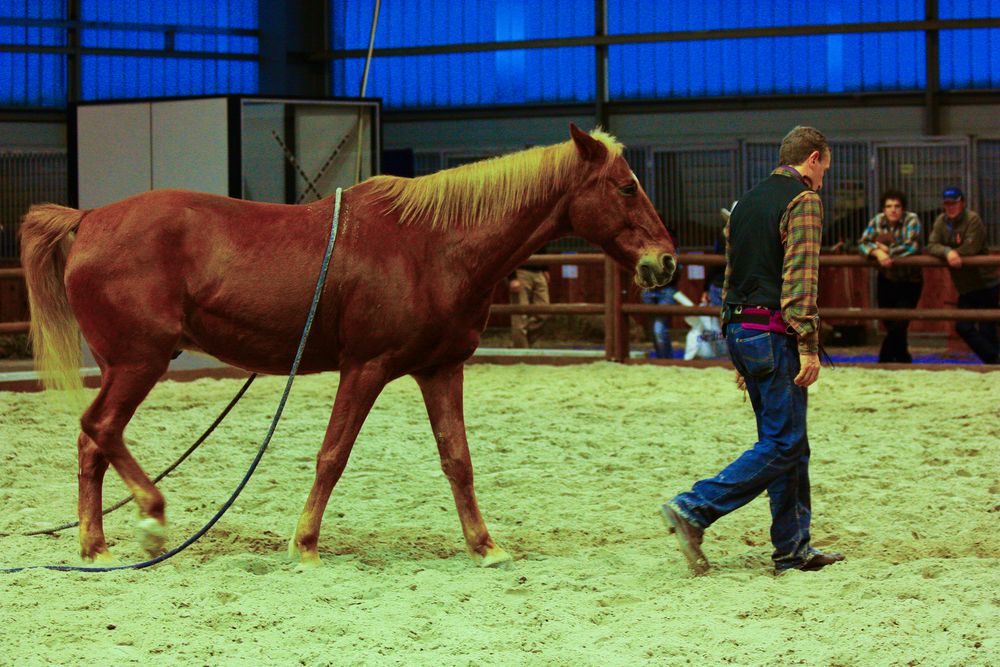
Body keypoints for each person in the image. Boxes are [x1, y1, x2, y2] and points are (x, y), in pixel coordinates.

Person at [661, 125, 845, 575]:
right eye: (825, 167)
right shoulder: (803, 201)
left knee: (786, 442)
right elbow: (801, 278)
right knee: (785, 443)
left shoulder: (743, 206)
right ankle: (694, 508)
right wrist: (808, 344)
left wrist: (735, 348)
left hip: (741, 329)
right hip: (775, 331)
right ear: (815, 158)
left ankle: (793, 549)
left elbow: (731, 276)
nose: (823, 178)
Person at [925, 187, 1000, 364]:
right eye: (947, 204)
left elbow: (971, 249)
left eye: (954, 203)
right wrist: (947, 252)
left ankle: (993, 363)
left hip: (986, 282)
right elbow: (931, 244)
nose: (950, 207)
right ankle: (994, 360)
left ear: (962, 203)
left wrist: (949, 252)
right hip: (965, 286)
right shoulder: (940, 221)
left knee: (987, 329)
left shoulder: (973, 219)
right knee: (963, 326)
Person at [858, 189, 923, 363]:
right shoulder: (877, 220)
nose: (893, 210)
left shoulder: (912, 219)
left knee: (900, 322)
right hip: (886, 279)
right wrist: (876, 252)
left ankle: (884, 359)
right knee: (889, 322)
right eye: (889, 206)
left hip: (910, 280)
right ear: (883, 209)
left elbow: (912, 246)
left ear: (903, 209)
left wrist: (888, 251)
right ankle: (903, 358)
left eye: (897, 206)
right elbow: (863, 242)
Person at [641, 226, 681, 359]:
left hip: (664, 289)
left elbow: (676, 270)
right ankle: (663, 358)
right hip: (651, 289)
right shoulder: (644, 240)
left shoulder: (670, 242)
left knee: (658, 329)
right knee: (656, 329)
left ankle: (664, 359)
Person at [509, 246, 551, 348]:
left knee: (544, 311)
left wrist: (545, 268)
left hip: (538, 271)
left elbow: (542, 244)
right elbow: (509, 249)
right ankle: (521, 350)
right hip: (521, 271)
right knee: (520, 314)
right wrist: (512, 277)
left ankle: (522, 343)